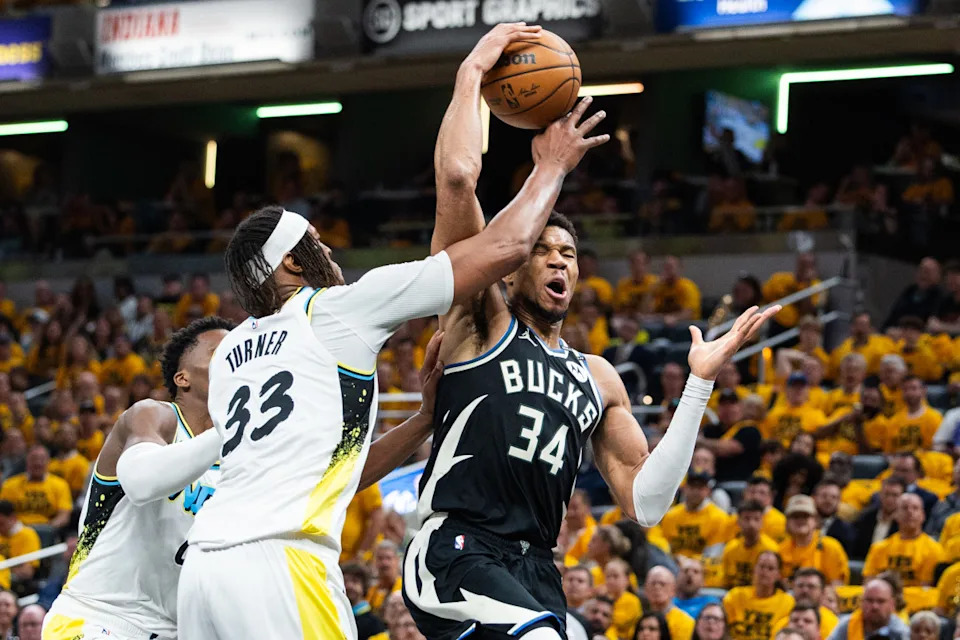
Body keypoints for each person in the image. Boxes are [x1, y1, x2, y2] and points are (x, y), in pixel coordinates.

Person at [175, 24, 622, 640]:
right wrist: (500, 108)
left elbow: (337, 473)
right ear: (289, 265)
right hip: (282, 562)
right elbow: (502, 235)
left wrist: (422, 422)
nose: (328, 252)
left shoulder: (228, 357)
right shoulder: (339, 310)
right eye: (314, 244)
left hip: (203, 570)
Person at [399, 23, 779, 640]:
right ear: (512, 262)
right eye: (543, 249)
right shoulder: (479, 318)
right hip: (456, 549)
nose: (558, 261)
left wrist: (698, 387)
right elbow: (457, 180)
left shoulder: (596, 377)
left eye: (570, 254)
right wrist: (471, 74)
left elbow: (647, 504)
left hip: (537, 569)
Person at [40, 317, 232, 640]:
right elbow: (141, 482)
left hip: (177, 630)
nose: (233, 359)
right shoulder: (154, 417)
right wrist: (231, 429)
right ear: (182, 377)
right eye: (219, 351)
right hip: (97, 618)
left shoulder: (237, 460)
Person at [863, 493, 944, 587]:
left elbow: (925, 589)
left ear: (923, 515)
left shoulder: (934, 549)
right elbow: (869, 584)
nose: (910, 512)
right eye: (905, 508)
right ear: (896, 515)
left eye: (915, 508)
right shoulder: (878, 548)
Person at [658, 470, 732, 559]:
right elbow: (664, 548)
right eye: (692, 487)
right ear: (685, 488)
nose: (696, 491)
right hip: (674, 566)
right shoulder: (670, 515)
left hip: (704, 569)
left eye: (700, 488)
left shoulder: (719, 517)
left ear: (708, 490)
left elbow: (714, 555)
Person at [723, 551, 795, 640]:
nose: (764, 571)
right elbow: (723, 629)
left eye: (770, 568)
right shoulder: (735, 595)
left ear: (779, 575)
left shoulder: (788, 602)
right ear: (754, 569)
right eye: (761, 566)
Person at [778, 495, 849, 585]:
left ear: (815, 520)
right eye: (795, 516)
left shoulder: (831, 547)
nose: (800, 520)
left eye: (805, 516)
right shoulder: (780, 550)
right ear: (787, 522)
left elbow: (837, 587)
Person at [698, 390, 762, 482]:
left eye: (732, 404)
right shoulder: (710, 429)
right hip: (710, 482)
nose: (728, 409)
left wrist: (701, 442)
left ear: (741, 407)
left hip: (741, 482)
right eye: (723, 405)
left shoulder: (750, 429)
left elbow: (729, 448)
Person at [0, 446, 70, 529]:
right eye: (34, 459)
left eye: (42, 459)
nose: (38, 463)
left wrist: (50, 527)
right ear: (27, 461)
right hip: (17, 530)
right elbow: (3, 513)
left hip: (47, 529)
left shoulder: (60, 484)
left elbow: (64, 515)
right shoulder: (10, 484)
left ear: (49, 462)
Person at [826, 578, 909, 640]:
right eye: (869, 600)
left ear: (892, 604)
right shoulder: (848, 625)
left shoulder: (901, 632)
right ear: (861, 602)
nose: (874, 606)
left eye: (881, 601)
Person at [722, 501, 779, 589]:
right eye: (747, 519)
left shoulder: (771, 549)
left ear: (762, 522)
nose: (751, 524)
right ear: (738, 521)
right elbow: (726, 583)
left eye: (756, 519)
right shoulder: (730, 548)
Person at [884, 377, 943, 454]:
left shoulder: (935, 417)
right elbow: (889, 452)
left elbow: (938, 448)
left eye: (913, 388)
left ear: (923, 391)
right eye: (905, 389)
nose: (909, 393)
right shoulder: (894, 420)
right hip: (900, 462)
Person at [851, 476, 905, 560]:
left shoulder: (905, 523)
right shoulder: (866, 517)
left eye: (895, 495)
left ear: (903, 497)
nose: (889, 499)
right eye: (886, 494)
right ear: (880, 495)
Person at [884, 258, 943, 329]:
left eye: (928, 272)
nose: (923, 275)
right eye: (921, 270)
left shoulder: (940, 297)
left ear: (937, 276)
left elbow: (932, 323)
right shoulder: (909, 291)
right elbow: (893, 317)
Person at [645, 566, 695, 640]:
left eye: (662, 584)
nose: (657, 587)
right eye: (653, 583)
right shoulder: (639, 619)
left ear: (673, 590)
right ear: (645, 589)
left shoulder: (685, 622)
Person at [342, 563, 387, 640]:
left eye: (355, 581)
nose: (349, 585)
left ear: (364, 586)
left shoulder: (374, 623)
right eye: (345, 581)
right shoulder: (338, 617)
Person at [813, 480, 855, 553]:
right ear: (814, 497)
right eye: (824, 496)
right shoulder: (801, 524)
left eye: (834, 497)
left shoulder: (847, 531)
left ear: (839, 501)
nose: (828, 500)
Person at [607, 559, 642, 640]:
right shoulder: (605, 598)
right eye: (608, 576)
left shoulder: (632, 600)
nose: (611, 580)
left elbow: (619, 622)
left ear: (627, 579)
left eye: (615, 576)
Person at [368, 541, 402, 613]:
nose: (384, 563)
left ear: (397, 560)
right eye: (380, 558)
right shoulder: (370, 590)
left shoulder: (405, 589)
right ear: (374, 561)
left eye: (388, 558)